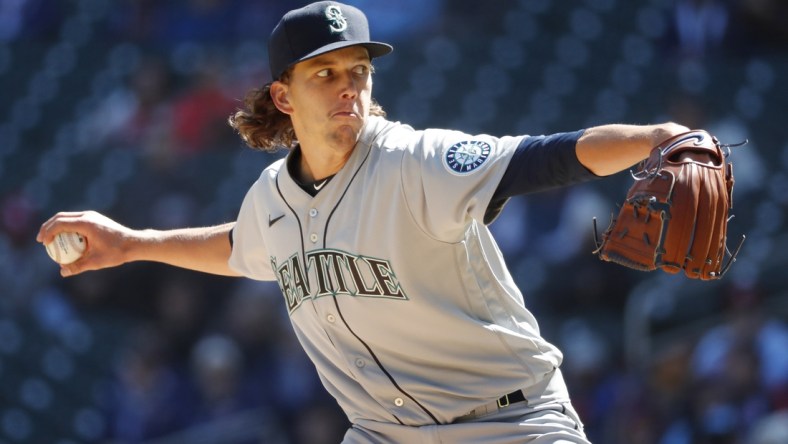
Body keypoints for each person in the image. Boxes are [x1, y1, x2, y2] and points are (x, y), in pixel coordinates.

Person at [38, 2, 691, 442]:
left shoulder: (416, 161)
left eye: (359, 70)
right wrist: (131, 243)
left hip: (505, 425)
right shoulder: (273, 196)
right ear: (284, 97)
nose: (349, 85)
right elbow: (242, 246)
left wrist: (653, 138)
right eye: (325, 73)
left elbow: (544, 157)